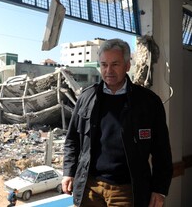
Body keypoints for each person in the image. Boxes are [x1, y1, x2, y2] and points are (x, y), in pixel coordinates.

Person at [62, 38, 173, 207]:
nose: (108, 71)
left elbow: (162, 150)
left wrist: (160, 189)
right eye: (104, 64)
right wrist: (68, 172)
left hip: (127, 190)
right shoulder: (86, 98)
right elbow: (72, 140)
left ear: (127, 66)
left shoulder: (148, 102)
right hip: (90, 187)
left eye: (115, 64)